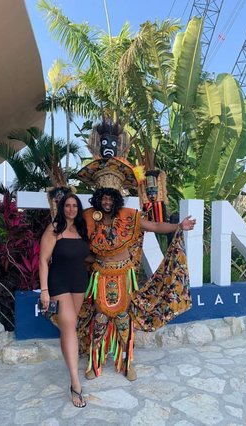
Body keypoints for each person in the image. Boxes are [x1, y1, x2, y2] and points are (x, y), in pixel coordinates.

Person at [76, 121, 196, 382]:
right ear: (98, 196)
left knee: (123, 319)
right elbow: (76, 242)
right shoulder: (87, 217)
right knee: (99, 318)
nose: (107, 201)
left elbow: (154, 226)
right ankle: (94, 363)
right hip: (99, 275)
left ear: (117, 198)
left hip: (123, 275)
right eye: (104, 196)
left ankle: (127, 362)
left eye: (111, 197)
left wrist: (178, 226)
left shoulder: (130, 216)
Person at [39, 193, 91, 408]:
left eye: (74, 205)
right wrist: (44, 291)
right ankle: (75, 382)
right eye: (67, 205)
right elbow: (43, 260)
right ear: (62, 208)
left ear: (78, 208)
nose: (71, 209)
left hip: (79, 283)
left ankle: (72, 368)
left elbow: (85, 256)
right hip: (58, 283)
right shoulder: (54, 229)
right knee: (69, 325)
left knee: (68, 328)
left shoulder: (82, 229)